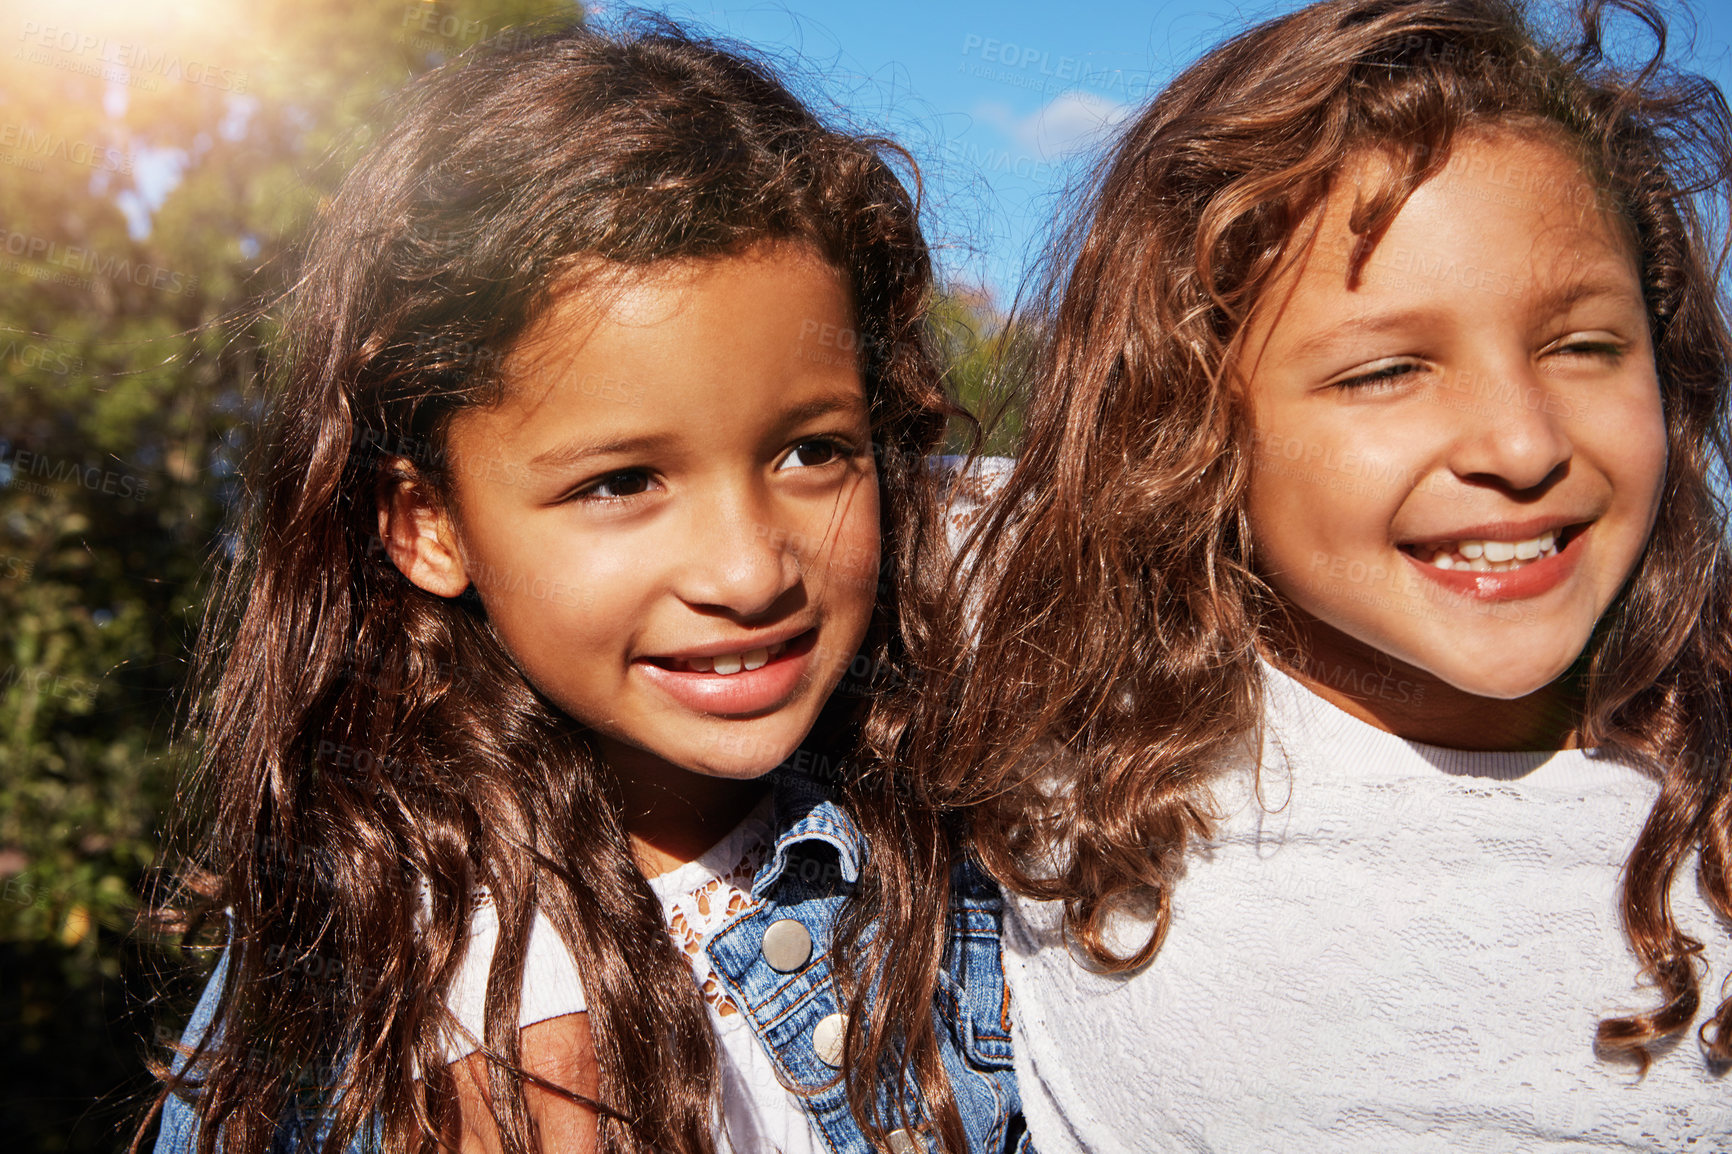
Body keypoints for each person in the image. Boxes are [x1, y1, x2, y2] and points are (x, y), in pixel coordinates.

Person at [143, 19, 1024, 1154]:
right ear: (430, 525)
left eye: (811, 451)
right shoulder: (352, 979)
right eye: (619, 481)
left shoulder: (971, 771)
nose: (749, 568)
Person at [893, 0, 1732, 1148]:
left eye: (1582, 345)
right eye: (1387, 369)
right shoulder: (1046, 658)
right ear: (1191, 419)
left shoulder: (1708, 785)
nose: (1522, 443)